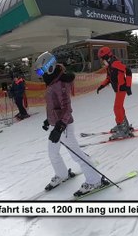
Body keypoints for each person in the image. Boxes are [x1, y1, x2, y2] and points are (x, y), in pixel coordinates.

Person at [35, 51, 108, 196]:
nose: (39, 74)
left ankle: (94, 180)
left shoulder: (60, 83)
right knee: (53, 152)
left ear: (49, 67)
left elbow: (67, 108)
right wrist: (48, 120)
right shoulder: (52, 81)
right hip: (55, 124)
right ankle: (62, 174)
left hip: (64, 126)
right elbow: (54, 105)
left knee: (77, 155)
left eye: (40, 70)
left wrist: (60, 127)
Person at [96, 46, 133, 140]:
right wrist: (102, 86)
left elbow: (128, 71)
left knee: (117, 108)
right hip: (117, 89)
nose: (102, 60)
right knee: (120, 107)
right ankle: (124, 125)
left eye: (102, 58)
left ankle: (122, 129)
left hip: (122, 88)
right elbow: (109, 78)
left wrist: (128, 86)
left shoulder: (115, 63)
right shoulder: (109, 65)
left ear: (107, 56)